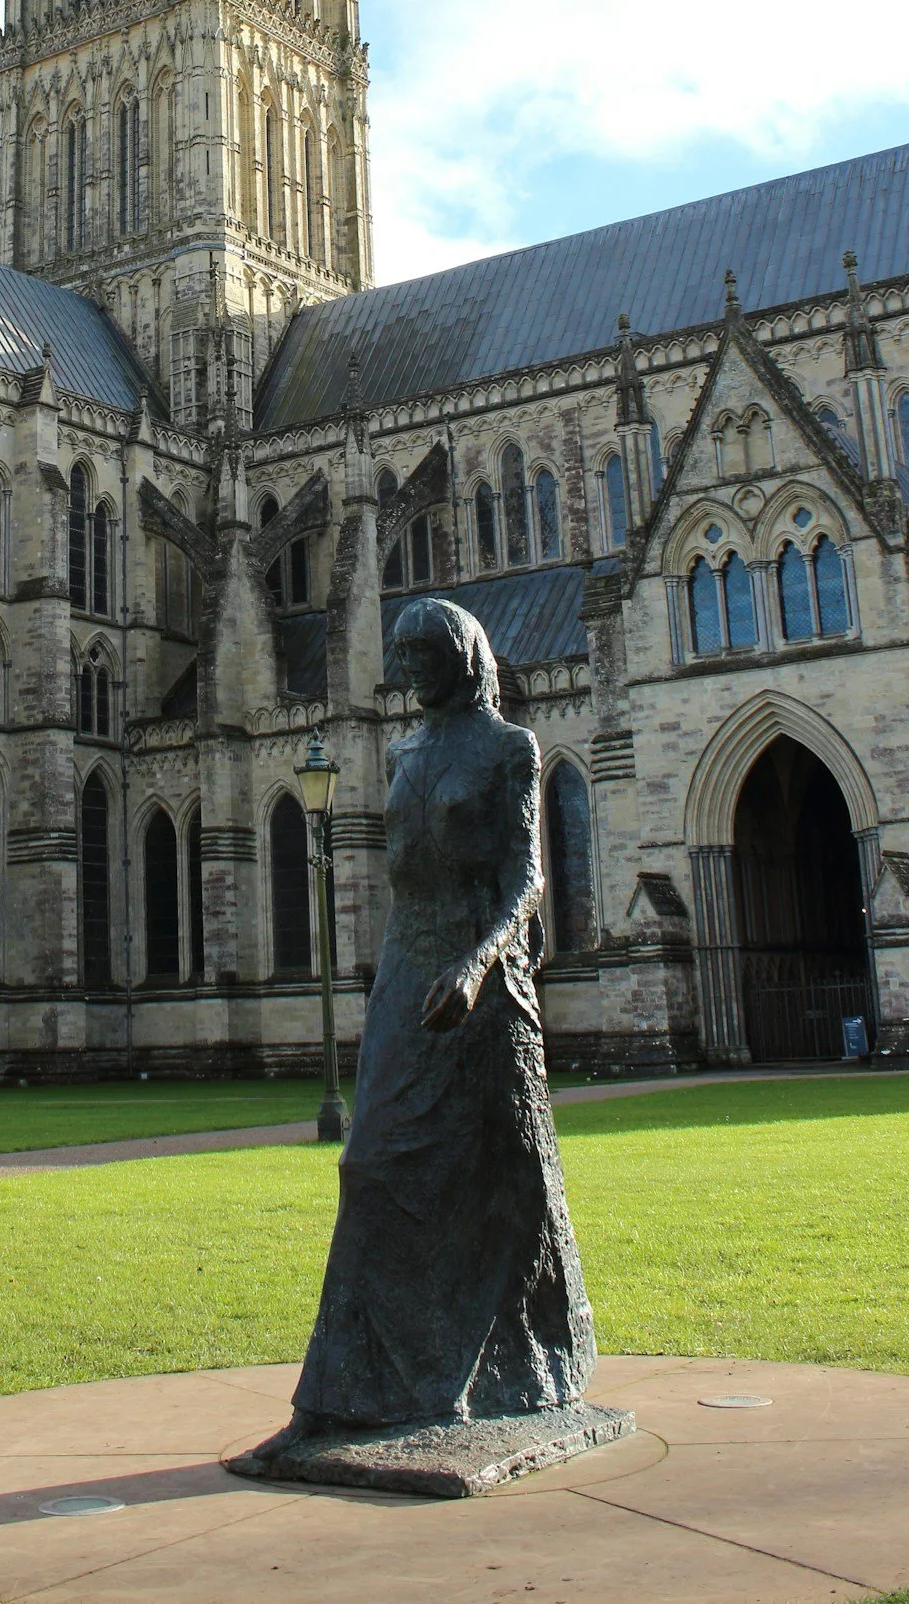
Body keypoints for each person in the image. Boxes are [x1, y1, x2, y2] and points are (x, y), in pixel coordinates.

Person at [261, 594, 597, 1443]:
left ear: (462, 655)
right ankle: (345, 1394)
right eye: (400, 653)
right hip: (408, 972)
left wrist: (478, 962)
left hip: (479, 980)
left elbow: (528, 879)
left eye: (421, 653)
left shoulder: (509, 747)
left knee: (506, 1179)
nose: (406, 668)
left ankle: (527, 1361)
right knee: (370, 1165)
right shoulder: (403, 749)